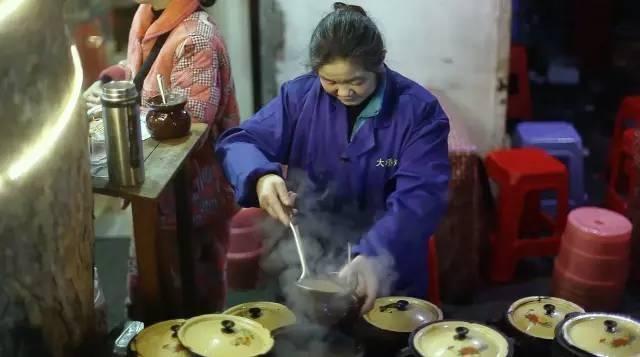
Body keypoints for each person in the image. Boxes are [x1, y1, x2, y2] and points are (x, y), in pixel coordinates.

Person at [216, 2, 450, 313]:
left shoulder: (418, 113)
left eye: (356, 81)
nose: (344, 93)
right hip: (308, 260)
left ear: (378, 66)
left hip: (388, 263)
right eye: (331, 82)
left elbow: (421, 198)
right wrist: (262, 176)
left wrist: (376, 254)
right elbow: (240, 141)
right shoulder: (298, 99)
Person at [85, 0, 239, 316]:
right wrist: (109, 84)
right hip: (154, 186)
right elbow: (139, 72)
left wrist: (120, 115)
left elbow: (191, 127)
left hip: (192, 193)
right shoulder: (147, 14)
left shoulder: (198, 37)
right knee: (149, 284)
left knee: (191, 301)